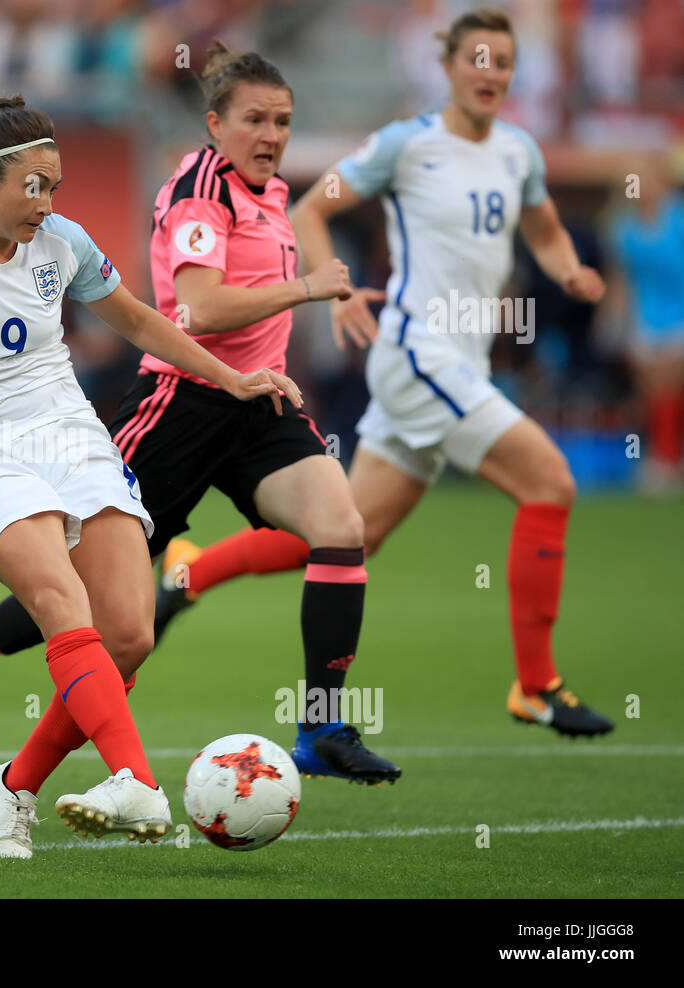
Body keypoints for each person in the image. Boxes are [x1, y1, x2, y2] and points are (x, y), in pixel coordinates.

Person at [0, 47, 404, 790]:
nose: (272, 135)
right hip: (181, 408)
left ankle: (321, 725)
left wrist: (300, 313)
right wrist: (305, 289)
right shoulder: (202, 188)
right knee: (84, 591)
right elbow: (193, 309)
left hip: (257, 400)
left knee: (343, 528)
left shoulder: (270, 194)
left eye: (284, 122)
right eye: (255, 120)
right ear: (214, 124)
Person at [0, 95, 300, 858]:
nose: (45, 203)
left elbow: (145, 322)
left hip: (70, 434)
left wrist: (234, 379)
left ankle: (12, 787)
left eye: (55, 186)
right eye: (33, 185)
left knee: (128, 635)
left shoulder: (62, 243)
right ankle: (136, 781)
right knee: (57, 598)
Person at [148, 8, 615, 737]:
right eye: (477, 59)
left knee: (344, 536)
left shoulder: (519, 151)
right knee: (550, 481)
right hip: (419, 355)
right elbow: (314, 207)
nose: (490, 73)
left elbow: (544, 227)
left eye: (503, 62)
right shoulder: (408, 145)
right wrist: (324, 290)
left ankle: (189, 572)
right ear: (450, 68)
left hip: (461, 361)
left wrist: (571, 271)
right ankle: (537, 684)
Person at [605, 153, 684, 494]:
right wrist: (614, 322)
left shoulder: (677, 217)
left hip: (679, 309)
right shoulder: (623, 227)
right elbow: (621, 278)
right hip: (646, 316)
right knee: (651, 390)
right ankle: (656, 459)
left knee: (671, 380)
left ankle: (668, 459)